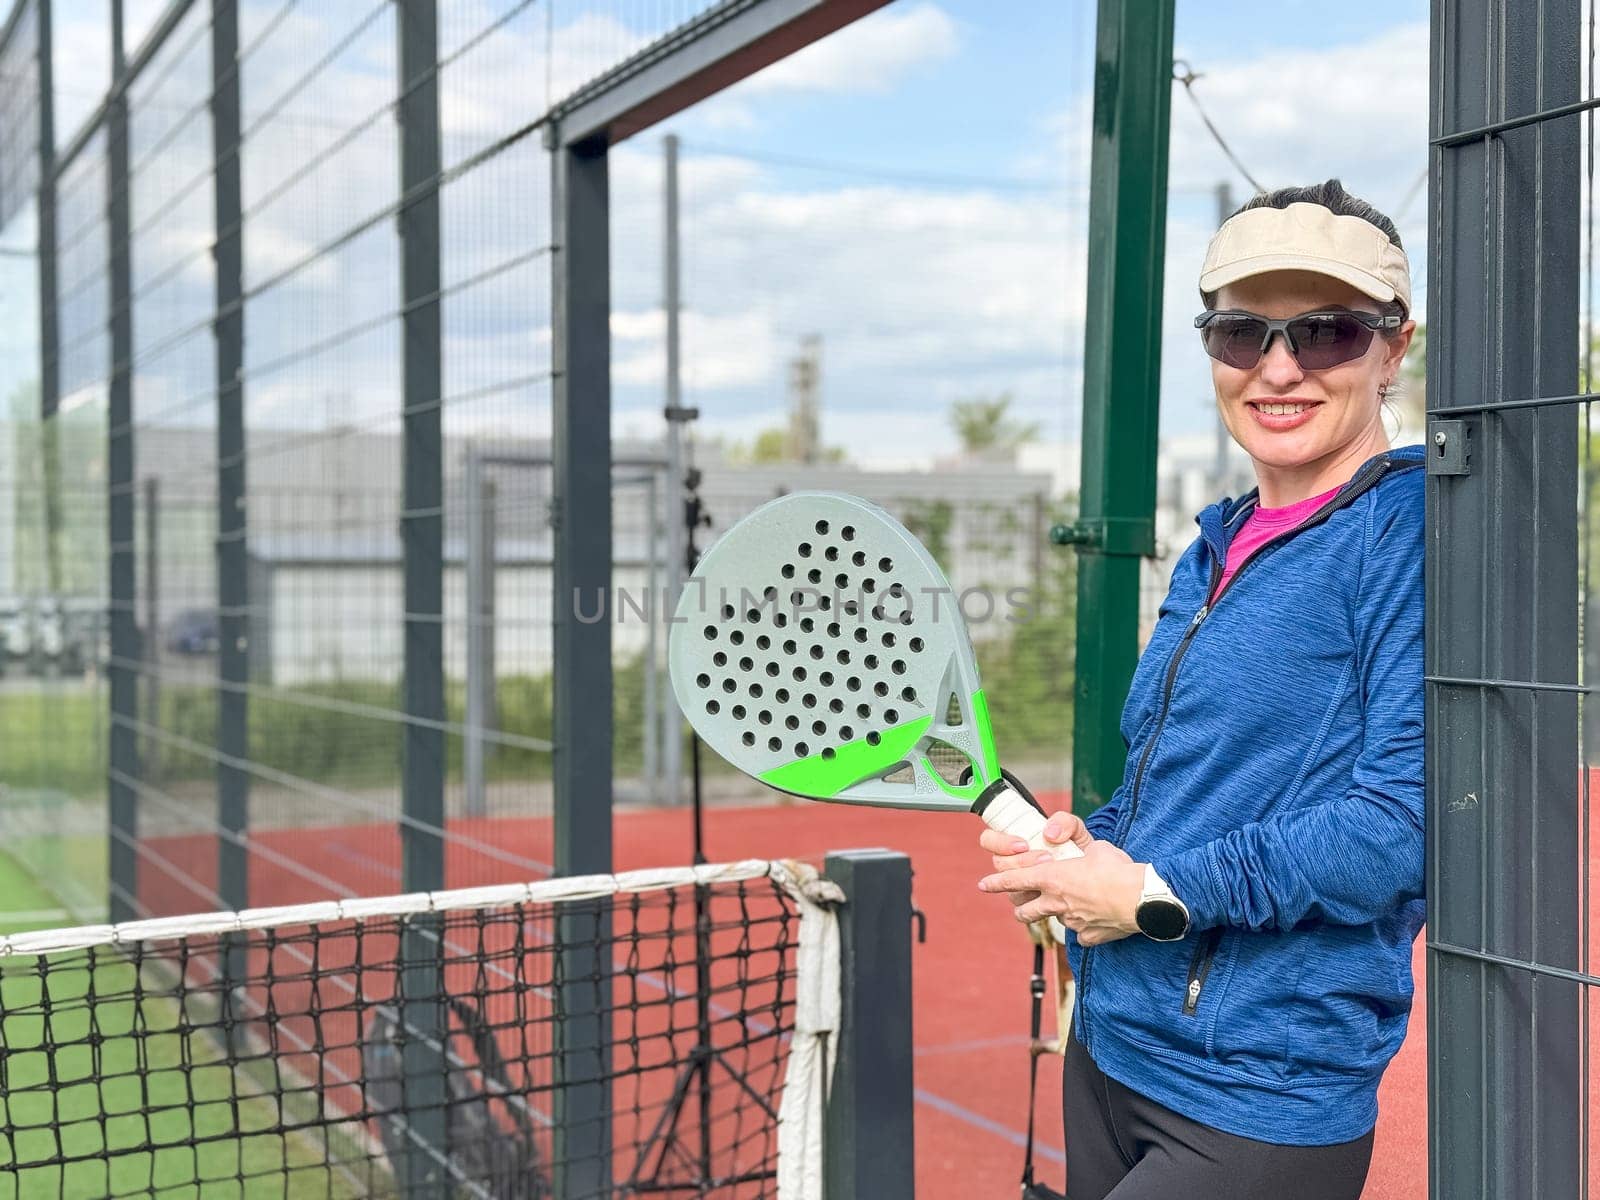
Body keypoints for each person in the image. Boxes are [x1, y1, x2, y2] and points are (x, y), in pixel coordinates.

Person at [978, 179, 1423, 1200]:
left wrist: (1145, 894)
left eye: (1325, 333)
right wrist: (1093, 854)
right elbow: (1186, 788)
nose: (1277, 369)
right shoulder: (1211, 547)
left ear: (1393, 348)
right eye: (1240, 334)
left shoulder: (1406, 534)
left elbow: (1396, 826)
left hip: (1258, 1096)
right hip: (1110, 1049)